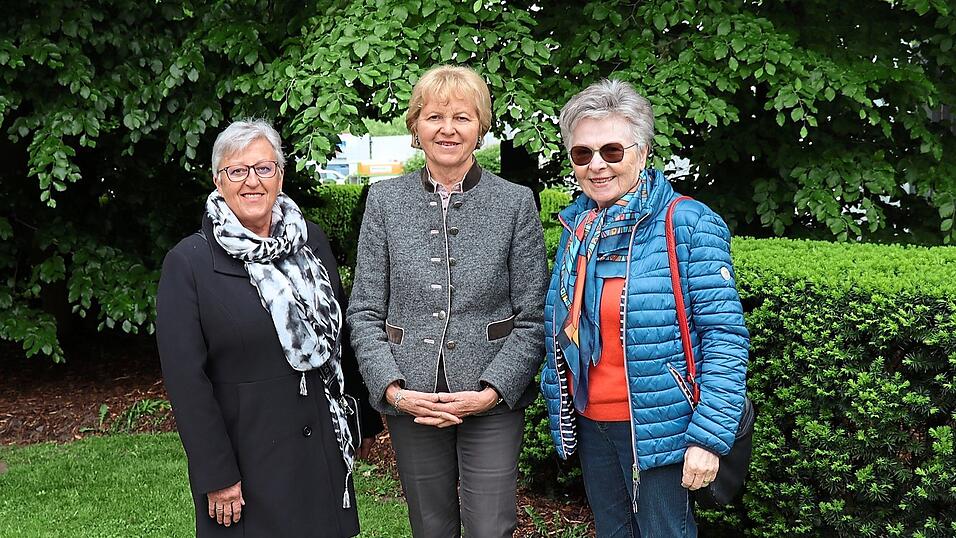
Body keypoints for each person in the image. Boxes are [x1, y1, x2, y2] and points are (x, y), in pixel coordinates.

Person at [540, 80, 750, 537]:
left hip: (662, 429)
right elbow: (557, 325)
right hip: (593, 423)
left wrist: (708, 439)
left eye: (612, 151)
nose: (596, 165)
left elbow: (724, 338)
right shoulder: (578, 227)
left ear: (643, 150)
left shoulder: (689, 223)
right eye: (582, 153)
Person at [347, 65, 548, 538]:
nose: (448, 128)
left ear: (481, 128)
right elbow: (364, 311)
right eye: (435, 116)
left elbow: (533, 316)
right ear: (416, 126)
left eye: (463, 116)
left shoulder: (516, 202)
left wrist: (494, 389)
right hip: (412, 396)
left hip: (491, 395)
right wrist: (392, 390)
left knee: (490, 526)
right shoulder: (383, 201)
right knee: (430, 525)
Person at [156, 119, 381, 537]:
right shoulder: (189, 263)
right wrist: (216, 474)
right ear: (217, 181)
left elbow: (339, 335)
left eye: (263, 168)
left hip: (320, 452)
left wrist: (362, 418)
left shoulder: (310, 241)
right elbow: (187, 382)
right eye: (237, 171)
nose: (251, 182)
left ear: (280, 174)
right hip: (247, 466)